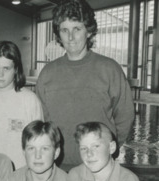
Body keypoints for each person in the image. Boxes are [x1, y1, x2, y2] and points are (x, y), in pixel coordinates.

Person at [35, 0, 134, 171]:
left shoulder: (109, 69)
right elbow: (40, 119)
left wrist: (110, 148)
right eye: (65, 30)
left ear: (88, 31)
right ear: (58, 34)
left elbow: (125, 116)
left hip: (99, 166)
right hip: (59, 167)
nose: (71, 37)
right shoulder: (47, 74)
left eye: (77, 29)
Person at [0, 41, 43, 170]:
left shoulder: (29, 100)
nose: (0, 74)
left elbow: (39, 144)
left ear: (16, 69)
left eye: (6, 68)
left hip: (20, 175)